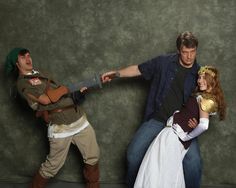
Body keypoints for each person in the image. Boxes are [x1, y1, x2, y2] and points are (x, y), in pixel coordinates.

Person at [102, 31, 202, 188]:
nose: (189, 56)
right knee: (133, 155)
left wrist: (199, 120)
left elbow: (207, 100)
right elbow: (138, 69)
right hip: (157, 119)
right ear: (178, 51)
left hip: (181, 126)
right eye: (185, 52)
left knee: (193, 162)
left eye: (193, 51)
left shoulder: (200, 74)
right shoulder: (163, 62)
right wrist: (116, 74)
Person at [4, 48, 100, 188]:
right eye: (23, 57)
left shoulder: (42, 73)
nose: (28, 58)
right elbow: (45, 100)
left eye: (28, 55)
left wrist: (76, 96)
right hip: (60, 126)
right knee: (52, 166)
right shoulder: (22, 83)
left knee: (93, 156)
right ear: (16, 63)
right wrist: (65, 89)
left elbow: (60, 95)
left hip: (77, 118)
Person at [134, 65, 226, 188]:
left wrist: (187, 136)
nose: (200, 80)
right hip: (171, 133)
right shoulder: (202, 96)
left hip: (175, 136)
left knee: (162, 170)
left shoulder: (205, 100)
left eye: (204, 78)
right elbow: (196, 118)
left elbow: (204, 125)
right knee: (160, 168)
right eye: (199, 77)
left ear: (212, 81)